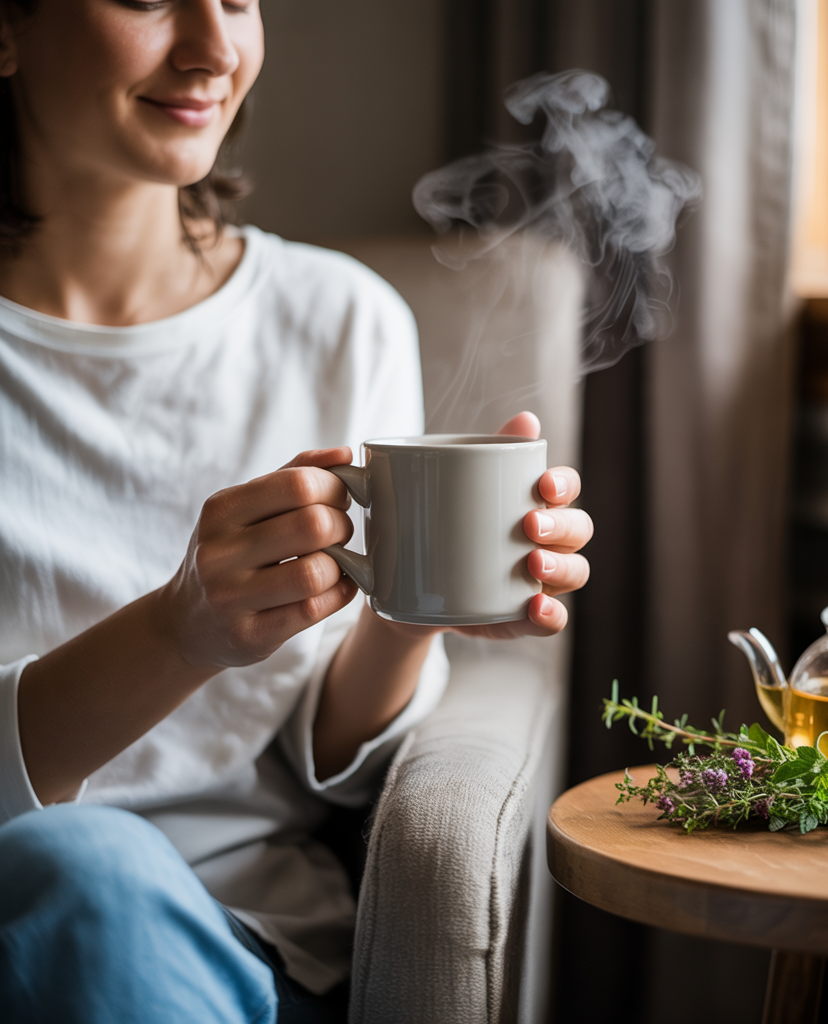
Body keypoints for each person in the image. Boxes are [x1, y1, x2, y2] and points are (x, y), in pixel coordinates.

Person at [0, 2, 593, 1021]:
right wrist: (175, 632)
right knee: (79, 869)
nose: (214, 50)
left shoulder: (336, 317)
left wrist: (410, 610)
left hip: (243, 956)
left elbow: (325, 769)